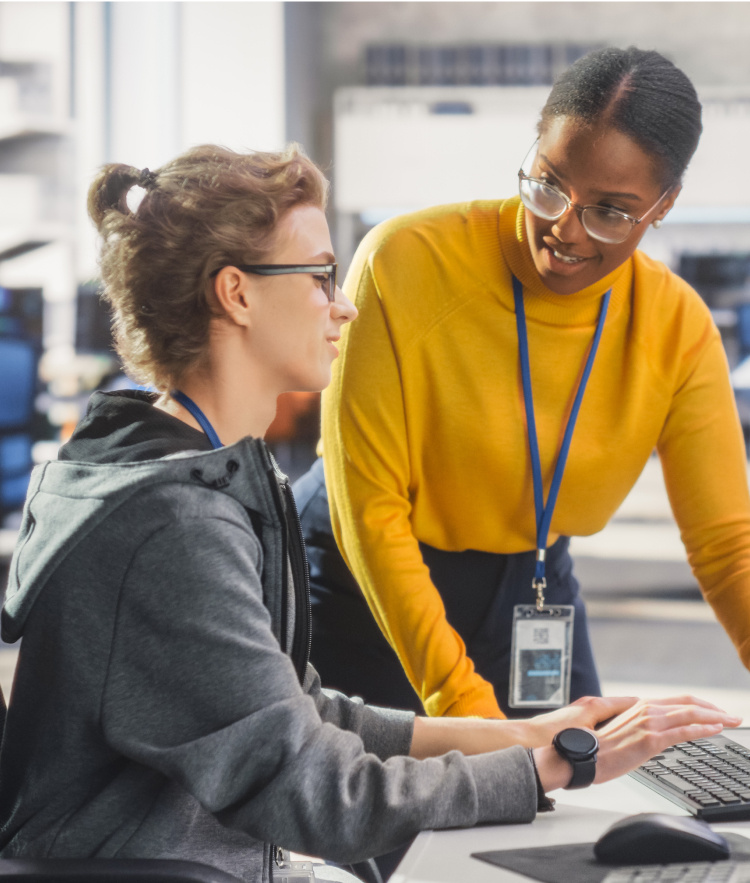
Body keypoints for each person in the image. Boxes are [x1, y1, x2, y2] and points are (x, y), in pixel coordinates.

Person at [0, 143, 740, 883]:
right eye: (320, 276)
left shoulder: (195, 479)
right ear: (237, 293)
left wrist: (521, 734)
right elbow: (322, 792)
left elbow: (302, 711)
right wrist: (548, 767)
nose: (344, 303)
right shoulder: (175, 530)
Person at [295, 45, 750, 721]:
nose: (564, 229)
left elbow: (726, 545)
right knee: (401, 813)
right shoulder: (403, 262)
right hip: (367, 578)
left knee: (583, 796)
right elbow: (371, 507)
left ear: (664, 204)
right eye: (548, 184)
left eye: (611, 211)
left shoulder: (675, 324)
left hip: (533, 580)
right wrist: (465, 705)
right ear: (534, 148)